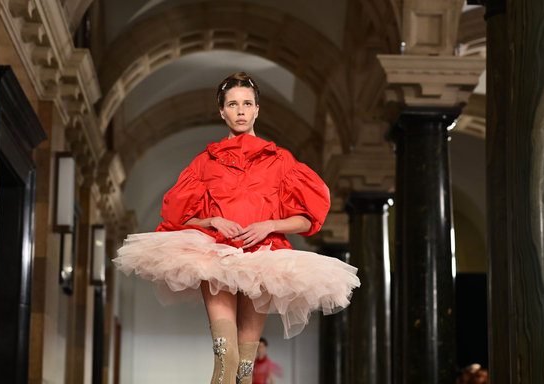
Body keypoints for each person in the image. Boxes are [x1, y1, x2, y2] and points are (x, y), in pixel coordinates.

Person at [114, 72, 360, 384]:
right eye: (233, 104)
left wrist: (269, 224)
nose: (241, 110)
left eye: (247, 103)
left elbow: (309, 219)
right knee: (225, 356)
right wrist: (211, 220)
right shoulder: (205, 162)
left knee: (245, 369)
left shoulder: (281, 161)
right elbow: (176, 218)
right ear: (222, 111)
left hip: (263, 261)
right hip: (215, 258)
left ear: (257, 109)